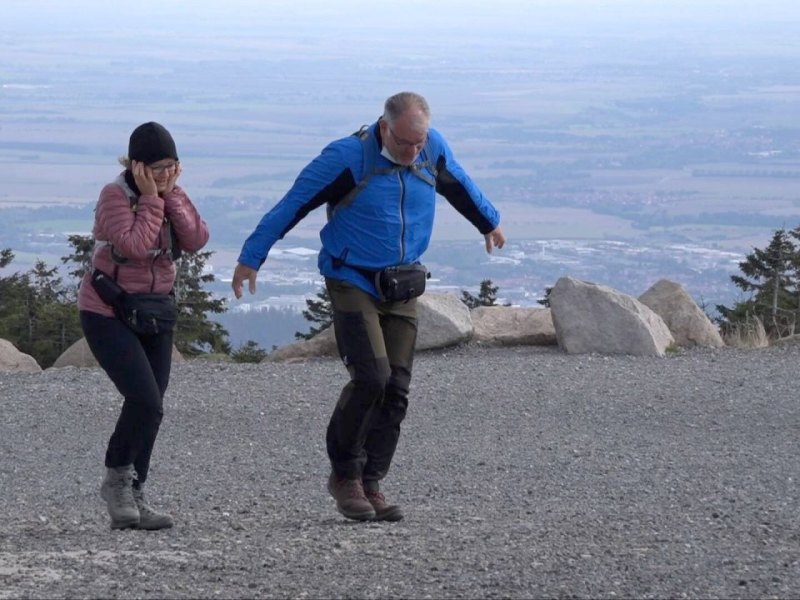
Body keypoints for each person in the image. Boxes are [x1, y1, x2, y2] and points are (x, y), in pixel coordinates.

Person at [232, 92, 505, 522]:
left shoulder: (431, 147)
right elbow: (293, 204)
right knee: (371, 378)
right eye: (404, 143)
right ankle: (345, 475)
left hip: (401, 282)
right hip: (352, 278)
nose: (413, 152)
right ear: (384, 127)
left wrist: (488, 221)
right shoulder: (347, 157)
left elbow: (459, 184)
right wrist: (252, 256)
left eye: (419, 143)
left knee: (396, 388)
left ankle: (372, 481)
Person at [78, 122, 210, 530]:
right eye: (157, 168)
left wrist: (173, 196)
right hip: (107, 311)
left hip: (154, 312)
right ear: (136, 166)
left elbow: (196, 239)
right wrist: (152, 200)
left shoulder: (170, 194)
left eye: (172, 166)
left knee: (153, 408)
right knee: (145, 400)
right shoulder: (114, 196)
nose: (165, 174)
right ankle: (116, 482)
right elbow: (134, 246)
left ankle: (137, 492)